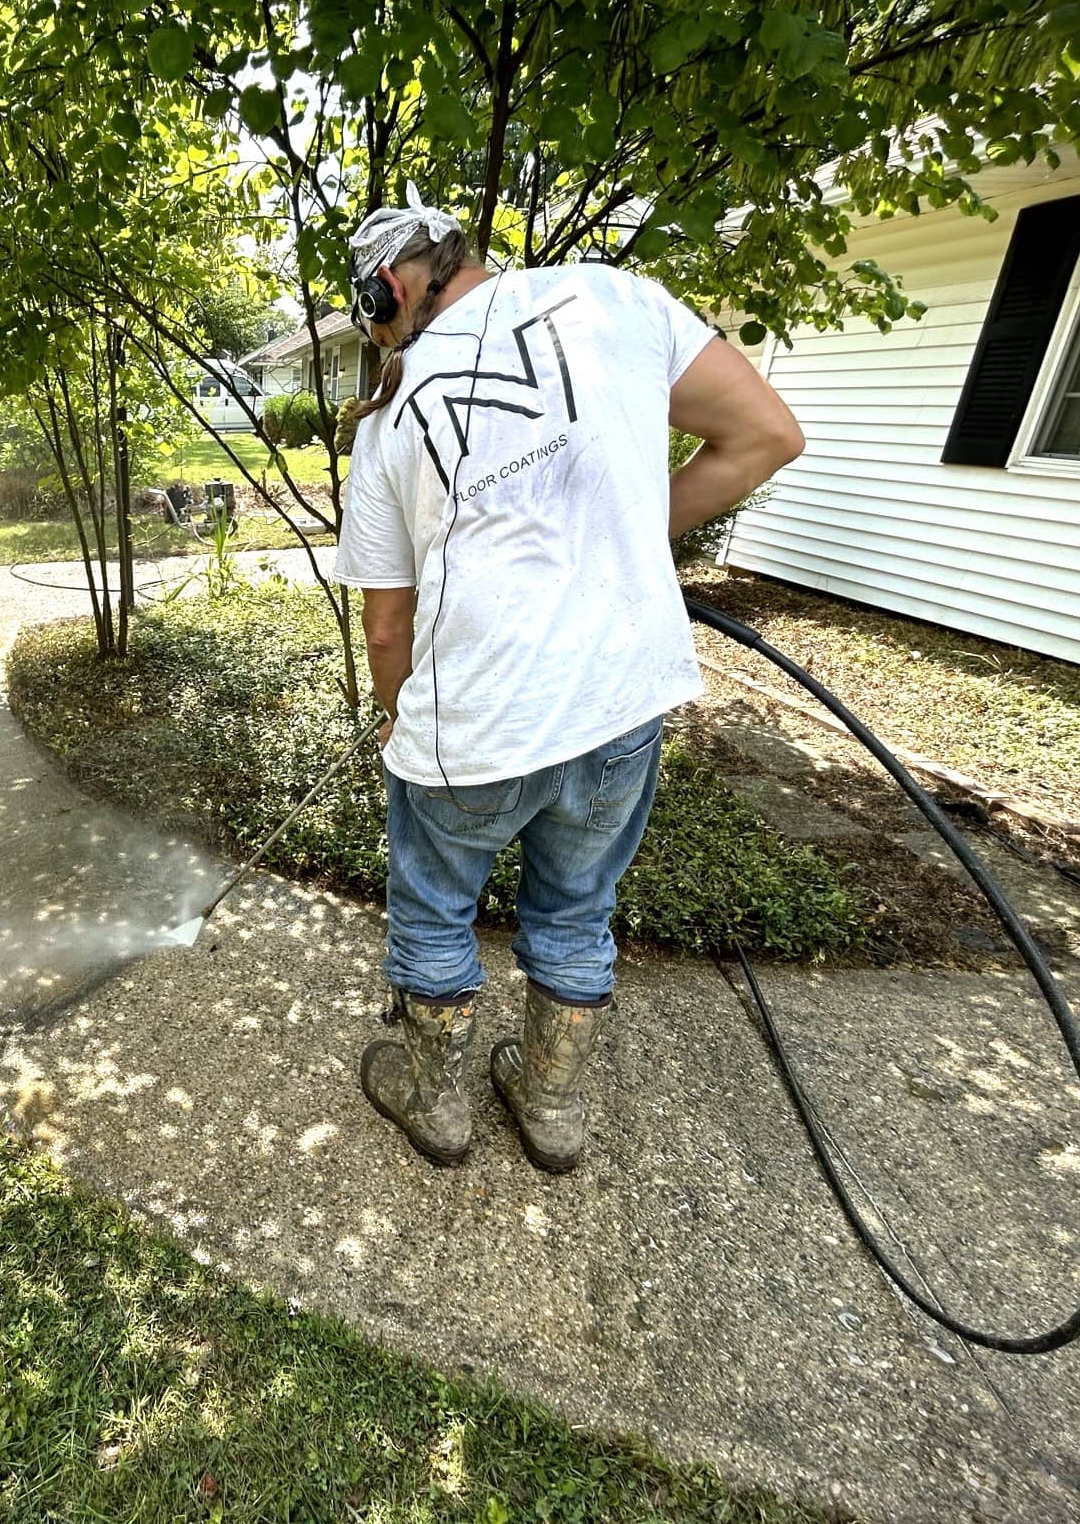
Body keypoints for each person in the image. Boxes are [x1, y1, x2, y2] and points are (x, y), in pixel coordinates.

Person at [333, 193, 805, 1172]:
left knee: (431, 912)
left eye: (369, 309)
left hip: (468, 728)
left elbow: (385, 623)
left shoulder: (386, 421)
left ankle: (439, 1107)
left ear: (393, 283)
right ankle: (546, 1107)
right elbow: (764, 436)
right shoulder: (613, 301)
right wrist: (632, 530)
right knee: (574, 909)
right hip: (615, 706)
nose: (375, 331)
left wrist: (395, 717)